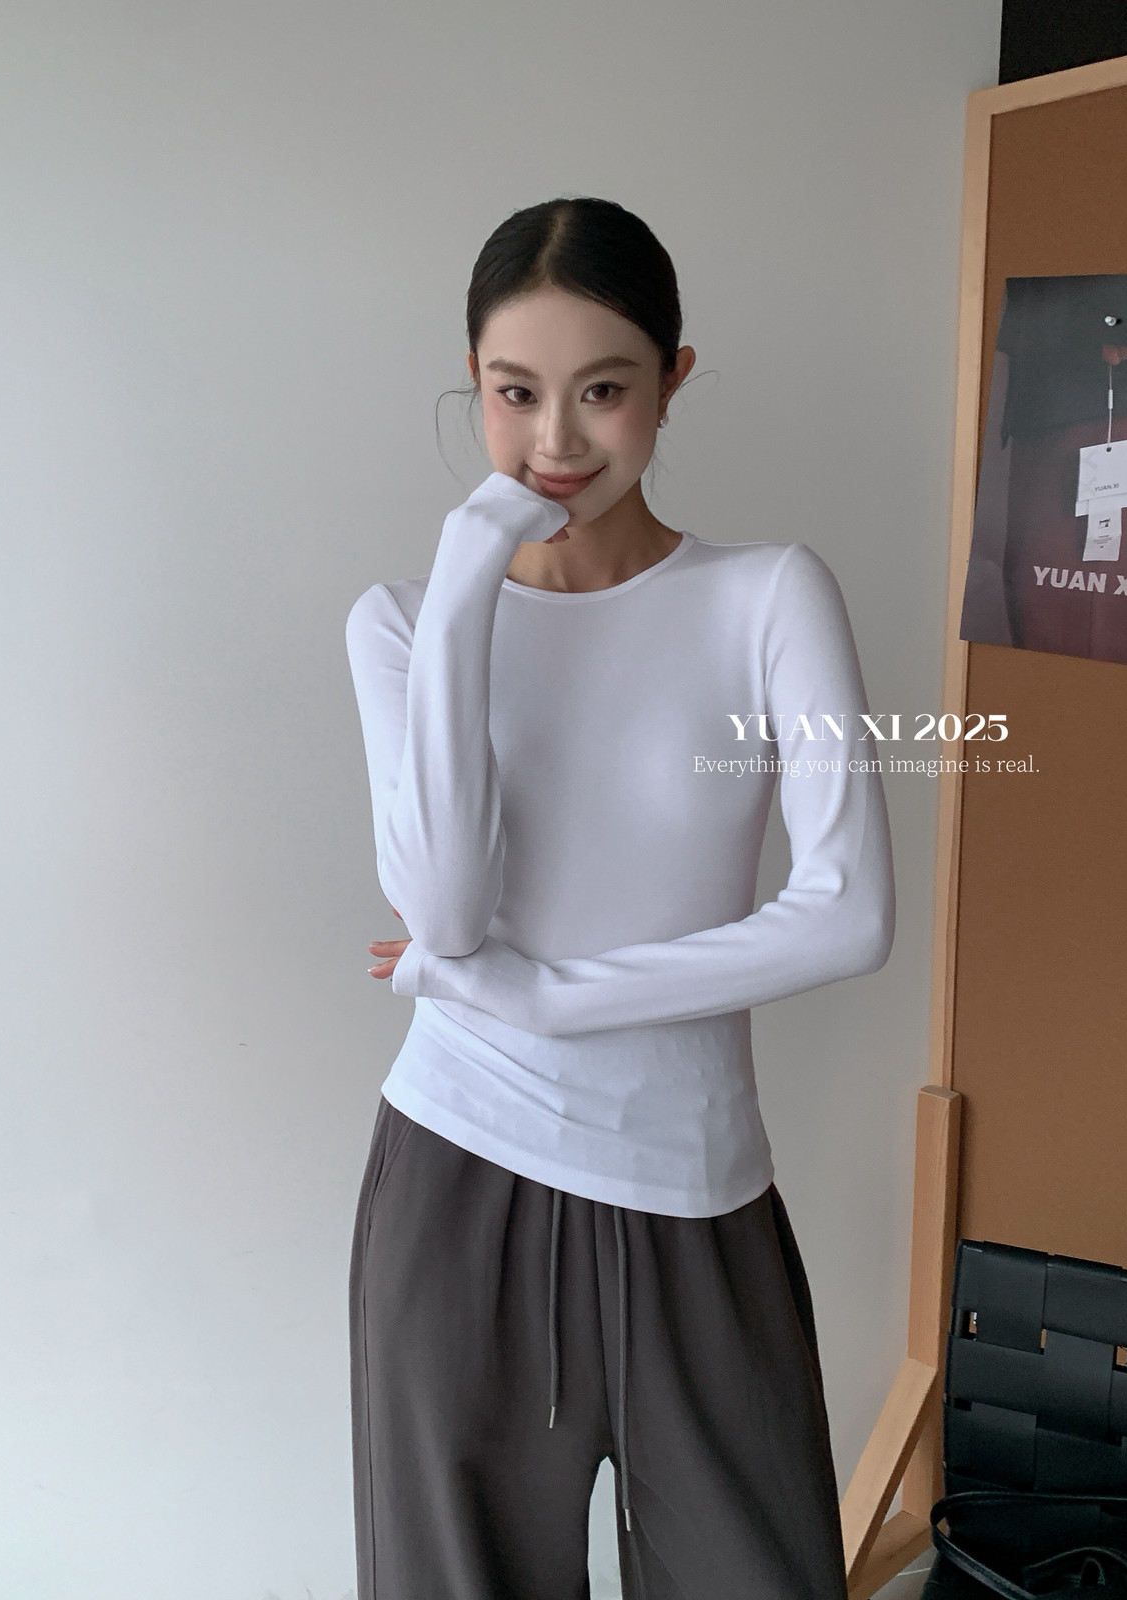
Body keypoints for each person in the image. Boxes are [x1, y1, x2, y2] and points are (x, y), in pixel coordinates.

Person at [344, 196, 895, 1600]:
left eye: (603, 391)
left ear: (672, 380)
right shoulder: (401, 623)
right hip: (458, 1179)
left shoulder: (767, 597)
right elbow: (447, 914)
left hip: (698, 1193)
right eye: (513, 392)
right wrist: (468, 583)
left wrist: (550, 999)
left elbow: (848, 912)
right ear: (473, 381)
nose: (555, 442)